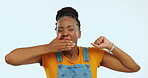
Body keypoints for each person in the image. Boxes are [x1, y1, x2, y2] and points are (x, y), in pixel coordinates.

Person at [5, 7, 140, 78]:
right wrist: (48, 47)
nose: (65, 33)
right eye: (60, 29)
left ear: (79, 33)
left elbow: (133, 68)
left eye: (70, 29)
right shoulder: (47, 54)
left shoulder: (93, 54)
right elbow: (11, 58)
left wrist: (111, 46)